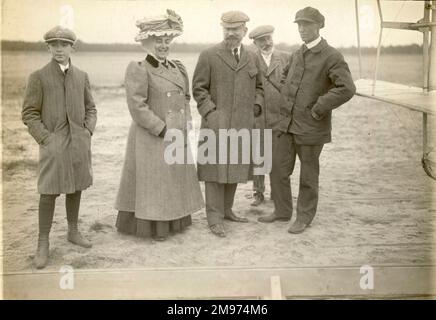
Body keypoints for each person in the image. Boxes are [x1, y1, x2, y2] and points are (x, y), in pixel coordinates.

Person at [115, 10, 204, 241]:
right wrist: (161, 128)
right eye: (158, 42)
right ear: (148, 43)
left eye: (166, 41)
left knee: (173, 180)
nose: (163, 46)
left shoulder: (177, 68)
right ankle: (154, 228)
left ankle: (175, 222)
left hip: (176, 132)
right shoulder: (139, 68)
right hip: (152, 136)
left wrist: (185, 125)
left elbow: (185, 98)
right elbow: (137, 106)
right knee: (155, 181)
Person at [271, 7, 356, 233]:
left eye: (307, 24)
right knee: (278, 169)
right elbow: (283, 76)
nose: (302, 29)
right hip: (287, 124)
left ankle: (304, 218)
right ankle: (282, 211)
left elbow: (346, 88)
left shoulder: (332, 56)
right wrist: (286, 99)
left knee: (308, 175)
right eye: (299, 25)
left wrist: (319, 107)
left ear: (319, 26)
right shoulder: (298, 53)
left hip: (311, 126)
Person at [22, 26, 97, 269]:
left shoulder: (82, 76)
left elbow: (91, 108)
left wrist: (87, 131)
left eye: (64, 45)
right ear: (48, 48)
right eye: (54, 45)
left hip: (78, 144)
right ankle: (43, 242)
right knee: (49, 191)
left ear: (72, 47)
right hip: (53, 145)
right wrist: (46, 139)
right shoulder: (38, 77)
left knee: (76, 187)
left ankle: (73, 231)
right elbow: (29, 113)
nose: (59, 50)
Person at [192, 11, 264, 237]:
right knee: (215, 172)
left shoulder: (252, 56)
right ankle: (214, 218)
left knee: (234, 168)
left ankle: (227, 210)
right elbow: (198, 89)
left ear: (244, 31)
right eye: (227, 29)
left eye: (236, 29)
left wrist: (255, 108)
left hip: (243, 124)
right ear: (222, 29)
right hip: (215, 125)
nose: (231, 33)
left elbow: (260, 87)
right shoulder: (209, 55)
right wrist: (211, 114)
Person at [247, 25, 291, 208]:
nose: (267, 42)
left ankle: (276, 192)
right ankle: (258, 192)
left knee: (278, 156)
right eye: (262, 40)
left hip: (279, 116)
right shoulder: (250, 59)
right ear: (255, 43)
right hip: (259, 115)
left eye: (269, 38)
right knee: (259, 156)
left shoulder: (286, 58)